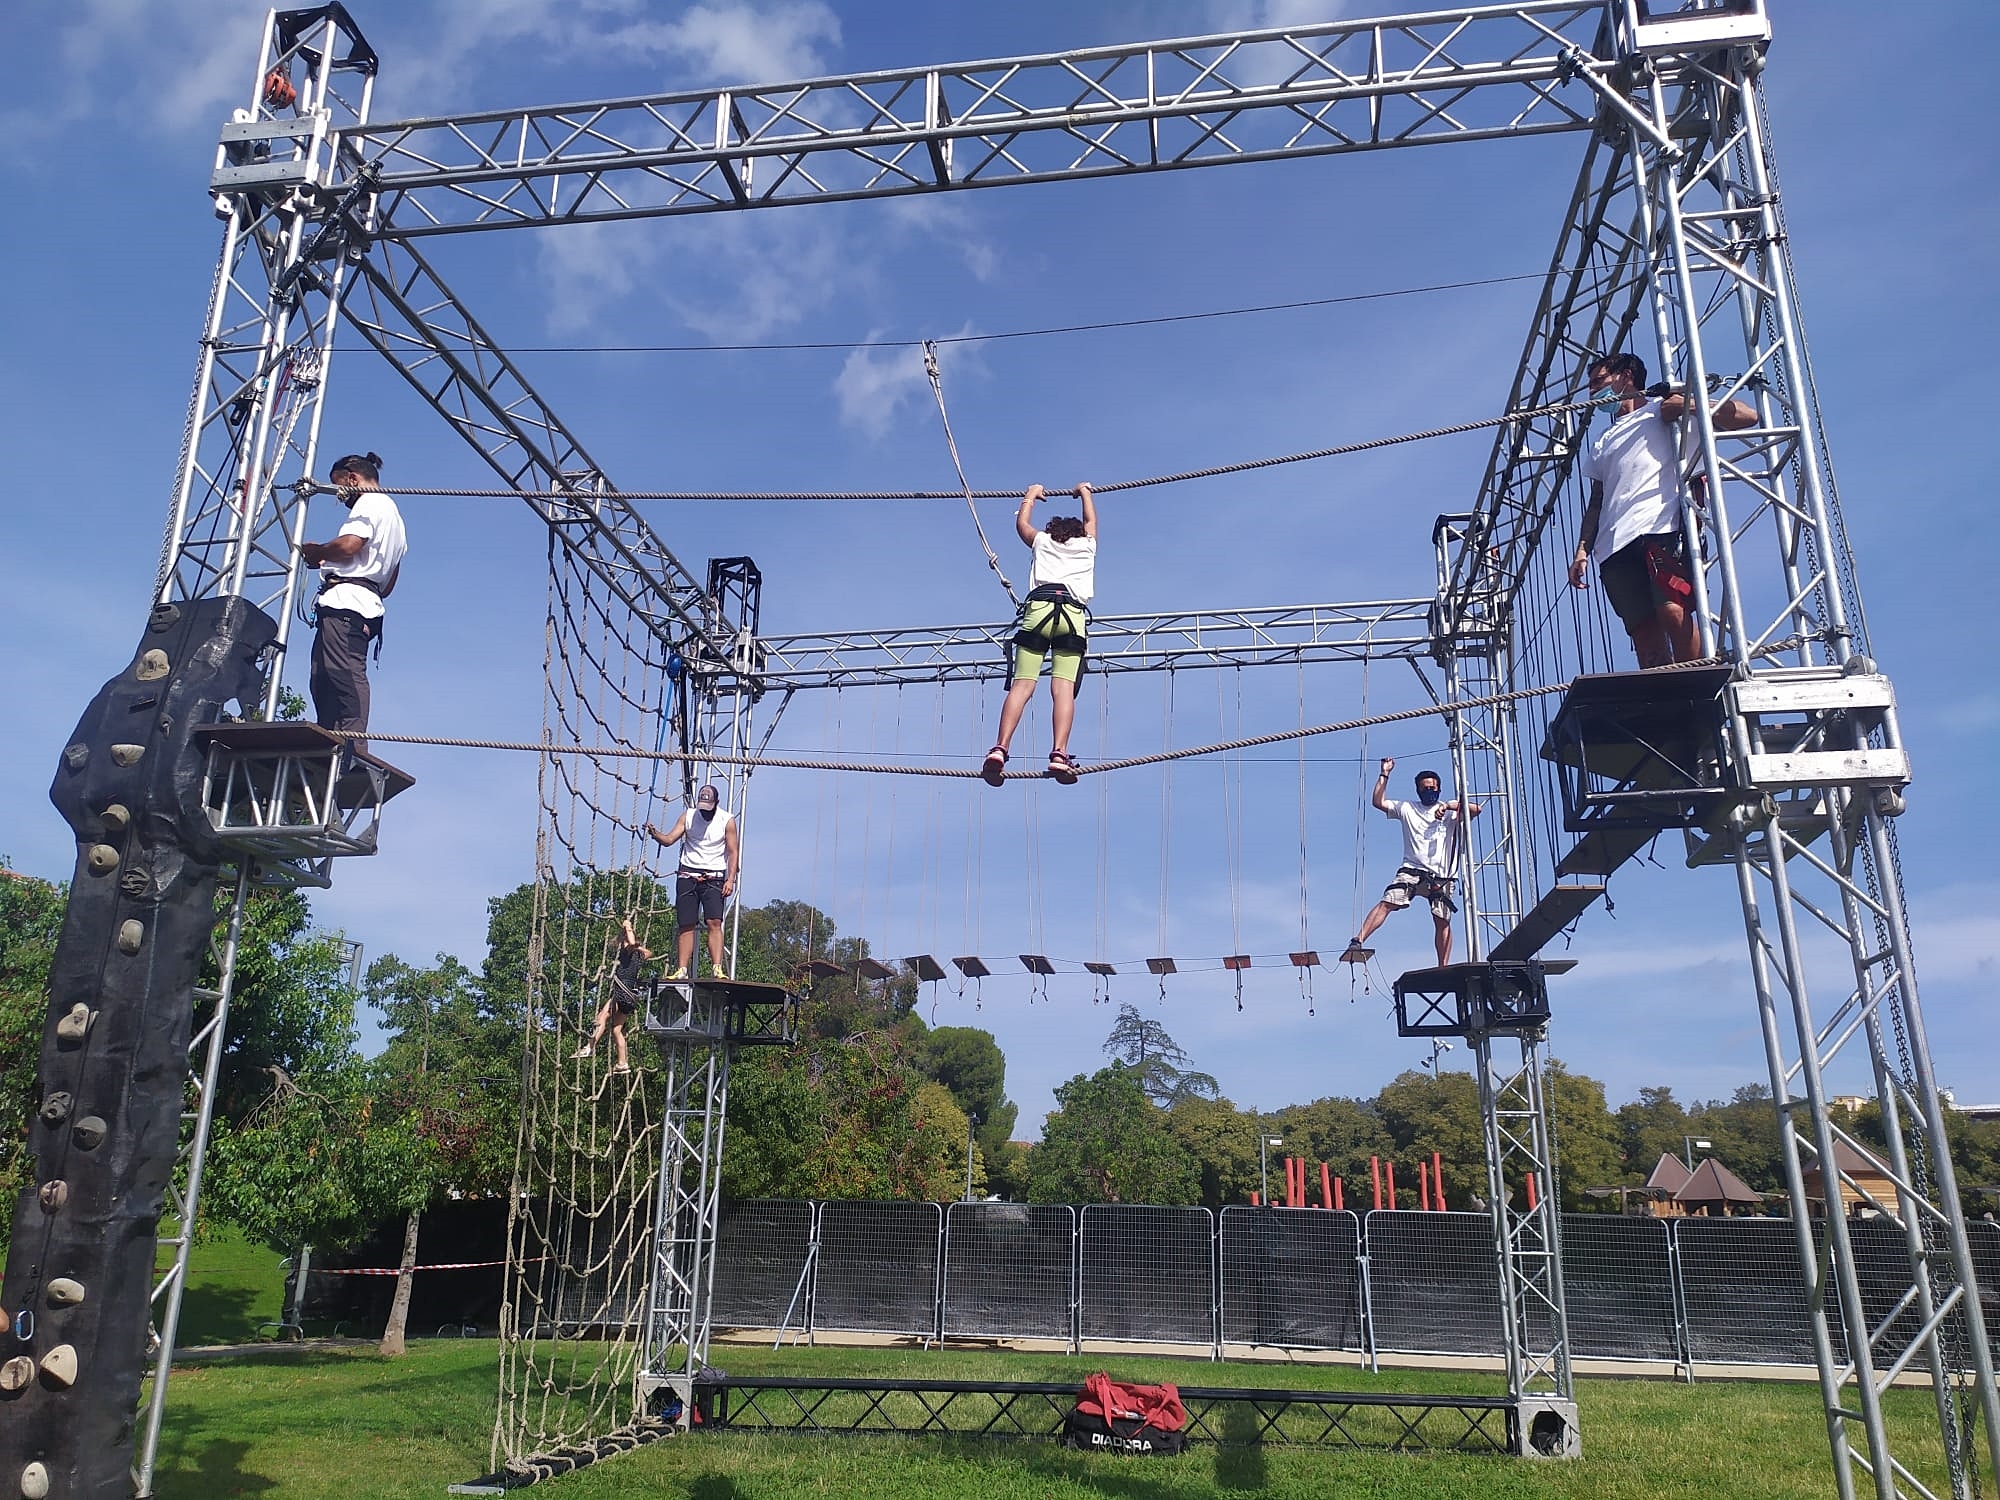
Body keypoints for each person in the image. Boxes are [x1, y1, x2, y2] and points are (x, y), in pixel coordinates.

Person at [1569, 353, 1756, 668]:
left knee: (1673, 610)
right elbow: (1598, 499)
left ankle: (1698, 682)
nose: (1593, 393)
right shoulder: (1604, 439)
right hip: (1614, 543)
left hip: (1662, 527)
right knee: (1645, 637)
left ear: (1626, 376)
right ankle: (1670, 704)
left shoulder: (1666, 408)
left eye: (1598, 382)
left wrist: (1688, 405)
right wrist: (1582, 549)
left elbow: (1748, 417)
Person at [981, 482, 1097, 787]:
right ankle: (1059, 753)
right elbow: (1091, 523)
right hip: (1071, 616)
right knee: (1063, 689)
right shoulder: (1087, 546)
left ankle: (999, 748)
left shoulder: (1042, 542)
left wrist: (1031, 494)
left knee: (1021, 686)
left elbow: (1022, 525)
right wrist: (1085, 492)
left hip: (1039, 611)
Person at [299, 452, 406, 753]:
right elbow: (389, 585)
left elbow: (349, 545)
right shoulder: (396, 520)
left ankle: (351, 745)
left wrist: (319, 552)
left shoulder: (369, 503)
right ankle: (333, 739)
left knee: (343, 673)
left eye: (339, 488)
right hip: (364, 602)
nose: (341, 497)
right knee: (323, 676)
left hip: (348, 605)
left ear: (352, 478)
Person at [1350, 759, 1481, 967]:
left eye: (1432, 788)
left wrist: (1447, 805)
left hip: (1442, 875)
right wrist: (1384, 774)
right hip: (1412, 869)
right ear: (1418, 790)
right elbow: (1378, 802)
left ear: (1438, 789)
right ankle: (1358, 940)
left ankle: (1442, 966)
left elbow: (1475, 809)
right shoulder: (1407, 808)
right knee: (1388, 902)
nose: (1429, 791)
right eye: (1425, 788)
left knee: (1442, 920)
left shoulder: (1450, 812)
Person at [644, 784, 739, 980]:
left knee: (714, 921)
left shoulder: (726, 820)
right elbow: (670, 839)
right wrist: (656, 835)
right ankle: (682, 969)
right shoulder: (688, 816)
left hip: (714, 876)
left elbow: (733, 851)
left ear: (716, 803)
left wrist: (731, 879)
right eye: (702, 807)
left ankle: (716, 968)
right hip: (688, 874)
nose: (704, 812)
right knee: (686, 924)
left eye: (708, 807)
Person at [574, 917, 650, 1073]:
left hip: (622, 992)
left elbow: (632, 943)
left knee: (602, 1016)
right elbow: (648, 952)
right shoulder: (639, 957)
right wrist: (638, 946)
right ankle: (622, 1063)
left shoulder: (628, 952)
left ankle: (589, 1047)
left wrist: (628, 928)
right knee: (616, 1030)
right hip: (631, 997)